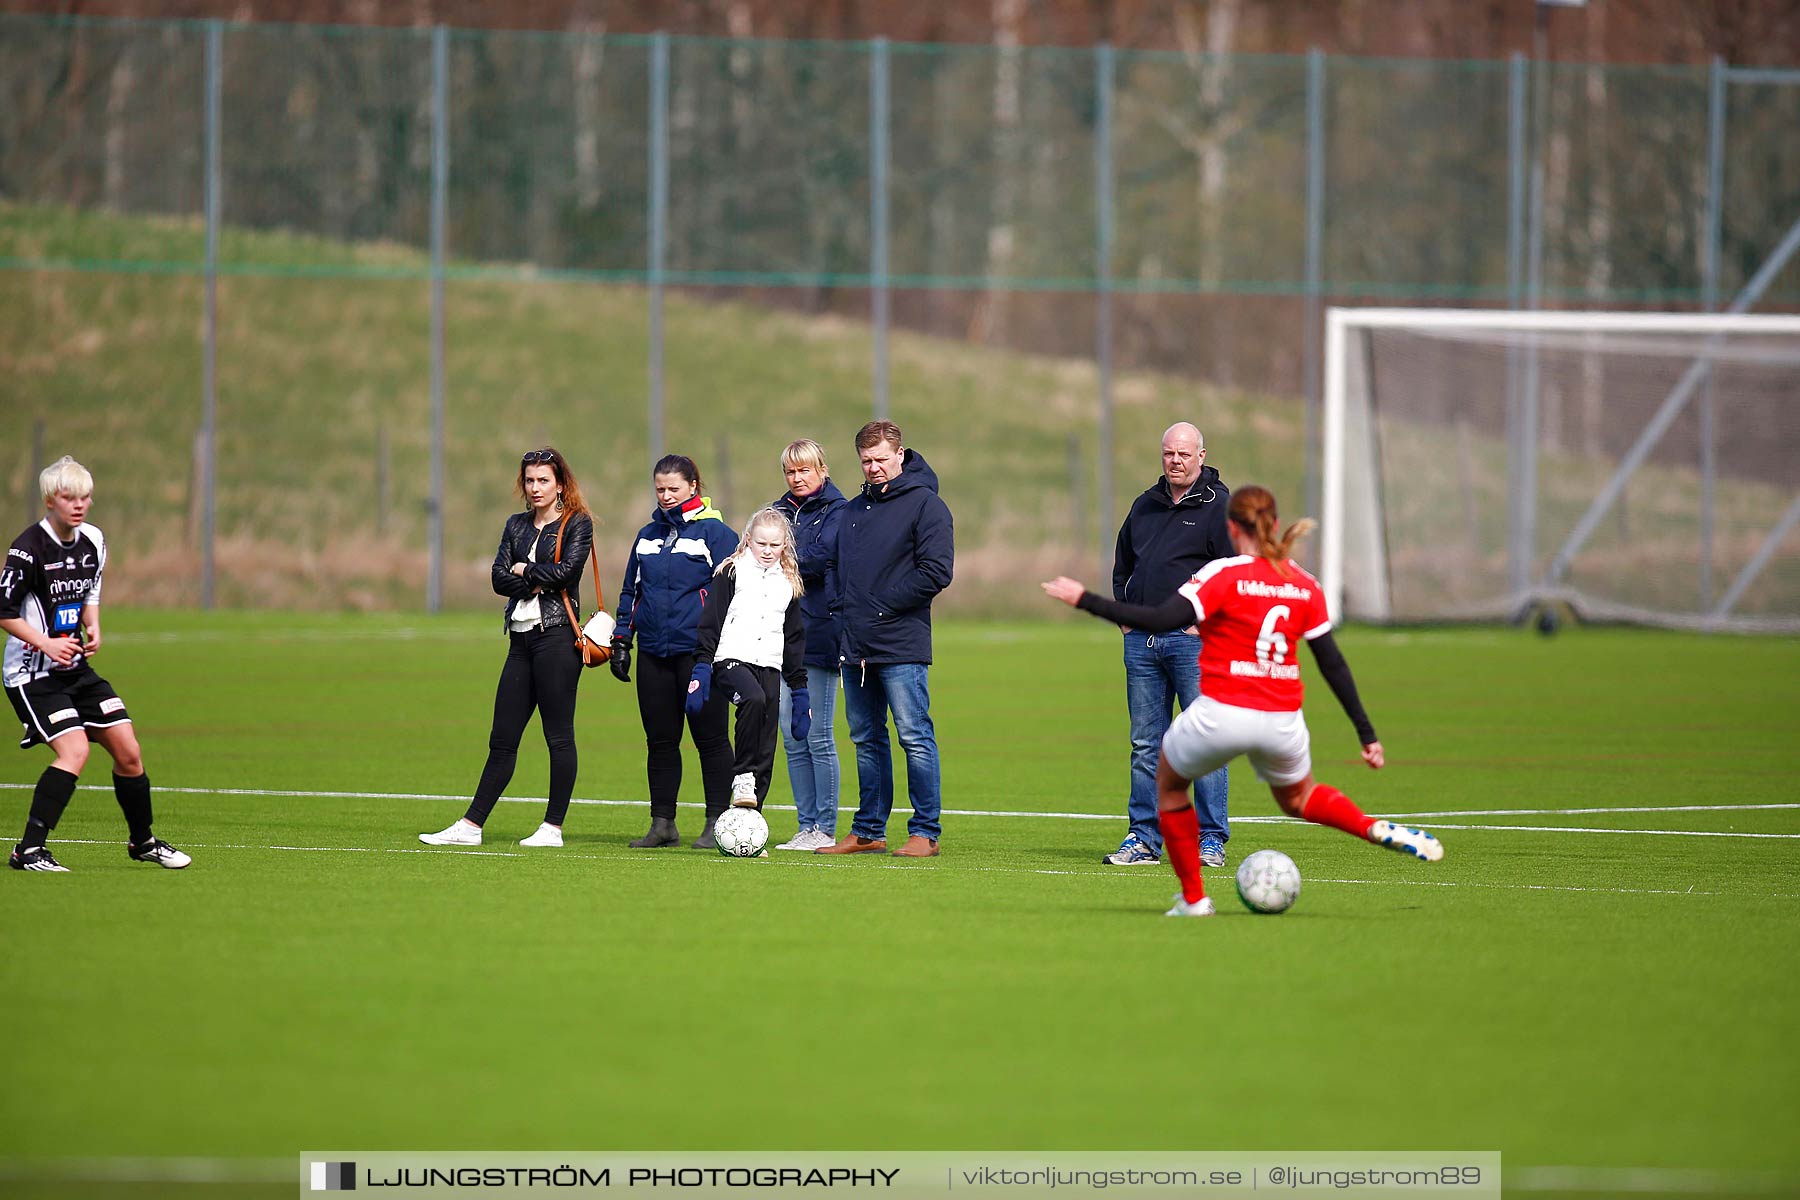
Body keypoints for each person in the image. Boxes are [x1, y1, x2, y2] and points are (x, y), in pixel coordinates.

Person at [1043, 485, 1443, 916]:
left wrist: (1085, 599)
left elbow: (1159, 618)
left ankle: (1194, 899)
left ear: (1232, 528)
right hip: (1282, 720)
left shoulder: (1222, 576)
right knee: (1299, 799)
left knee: (1168, 782)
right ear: (1273, 524)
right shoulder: (1304, 584)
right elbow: (1333, 665)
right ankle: (1369, 826)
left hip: (1224, 712)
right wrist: (1367, 735)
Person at [2, 456, 189, 872]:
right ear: (51, 500)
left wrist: (94, 623)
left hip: (75, 670)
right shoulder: (28, 548)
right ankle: (28, 850)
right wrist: (47, 644)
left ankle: (143, 843)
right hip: (32, 674)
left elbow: (92, 584)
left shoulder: (93, 540)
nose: (80, 504)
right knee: (75, 751)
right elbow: (4, 612)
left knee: (128, 749)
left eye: (85, 496)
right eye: (70, 497)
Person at [421, 447, 594, 850]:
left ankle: (552, 828)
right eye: (530, 481)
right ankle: (471, 825)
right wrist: (533, 578)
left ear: (560, 485)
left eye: (543, 481)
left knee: (558, 737)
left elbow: (567, 572)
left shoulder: (577, 523)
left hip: (557, 639)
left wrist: (527, 570)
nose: (536, 488)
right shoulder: (515, 525)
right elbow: (499, 578)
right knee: (502, 738)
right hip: (521, 640)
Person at [818, 421, 954, 858]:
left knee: (914, 736)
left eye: (880, 459)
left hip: (900, 642)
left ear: (900, 455)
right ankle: (869, 830)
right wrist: (842, 612)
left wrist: (880, 607)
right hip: (854, 644)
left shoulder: (927, 506)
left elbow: (936, 572)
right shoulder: (854, 509)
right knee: (865, 738)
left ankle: (925, 832)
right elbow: (838, 567)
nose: (873, 467)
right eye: (866, 461)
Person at [1106, 421, 1234, 869]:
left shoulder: (1220, 507)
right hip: (1141, 642)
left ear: (1201, 455)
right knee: (1146, 744)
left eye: (1183, 454)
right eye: (1168, 454)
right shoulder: (1146, 504)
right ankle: (1143, 838)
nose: (1175, 461)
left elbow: (1235, 571)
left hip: (1192, 644)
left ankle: (1210, 840)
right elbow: (1123, 561)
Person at [610, 454, 739, 850]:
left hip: (700, 654)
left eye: (673, 489)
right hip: (653, 651)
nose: (665, 496)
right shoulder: (647, 534)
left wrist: (722, 649)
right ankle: (662, 823)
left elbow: (731, 596)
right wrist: (620, 639)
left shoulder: (717, 535)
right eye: (660, 489)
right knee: (660, 741)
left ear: (693, 486)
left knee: (711, 739)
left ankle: (717, 821)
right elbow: (633, 589)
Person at [686, 508, 809, 820]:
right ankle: (741, 776)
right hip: (731, 659)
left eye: (774, 545)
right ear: (749, 540)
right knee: (752, 699)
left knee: (767, 745)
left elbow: (793, 638)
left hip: (769, 664)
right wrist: (702, 665)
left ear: (785, 545)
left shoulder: (789, 582)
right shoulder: (732, 571)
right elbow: (710, 621)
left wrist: (800, 691)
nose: (767, 551)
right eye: (761, 544)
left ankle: (750, 823)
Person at [769, 439, 847, 851]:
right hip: (777, 637)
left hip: (819, 633)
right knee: (791, 731)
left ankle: (825, 828)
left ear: (822, 469)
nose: (797, 478)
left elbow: (824, 558)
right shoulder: (776, 512)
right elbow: (752, 552)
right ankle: (805, 825)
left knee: (817, 733)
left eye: (805, 470)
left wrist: (777, 554)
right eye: (790, 472)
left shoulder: (840, 511)